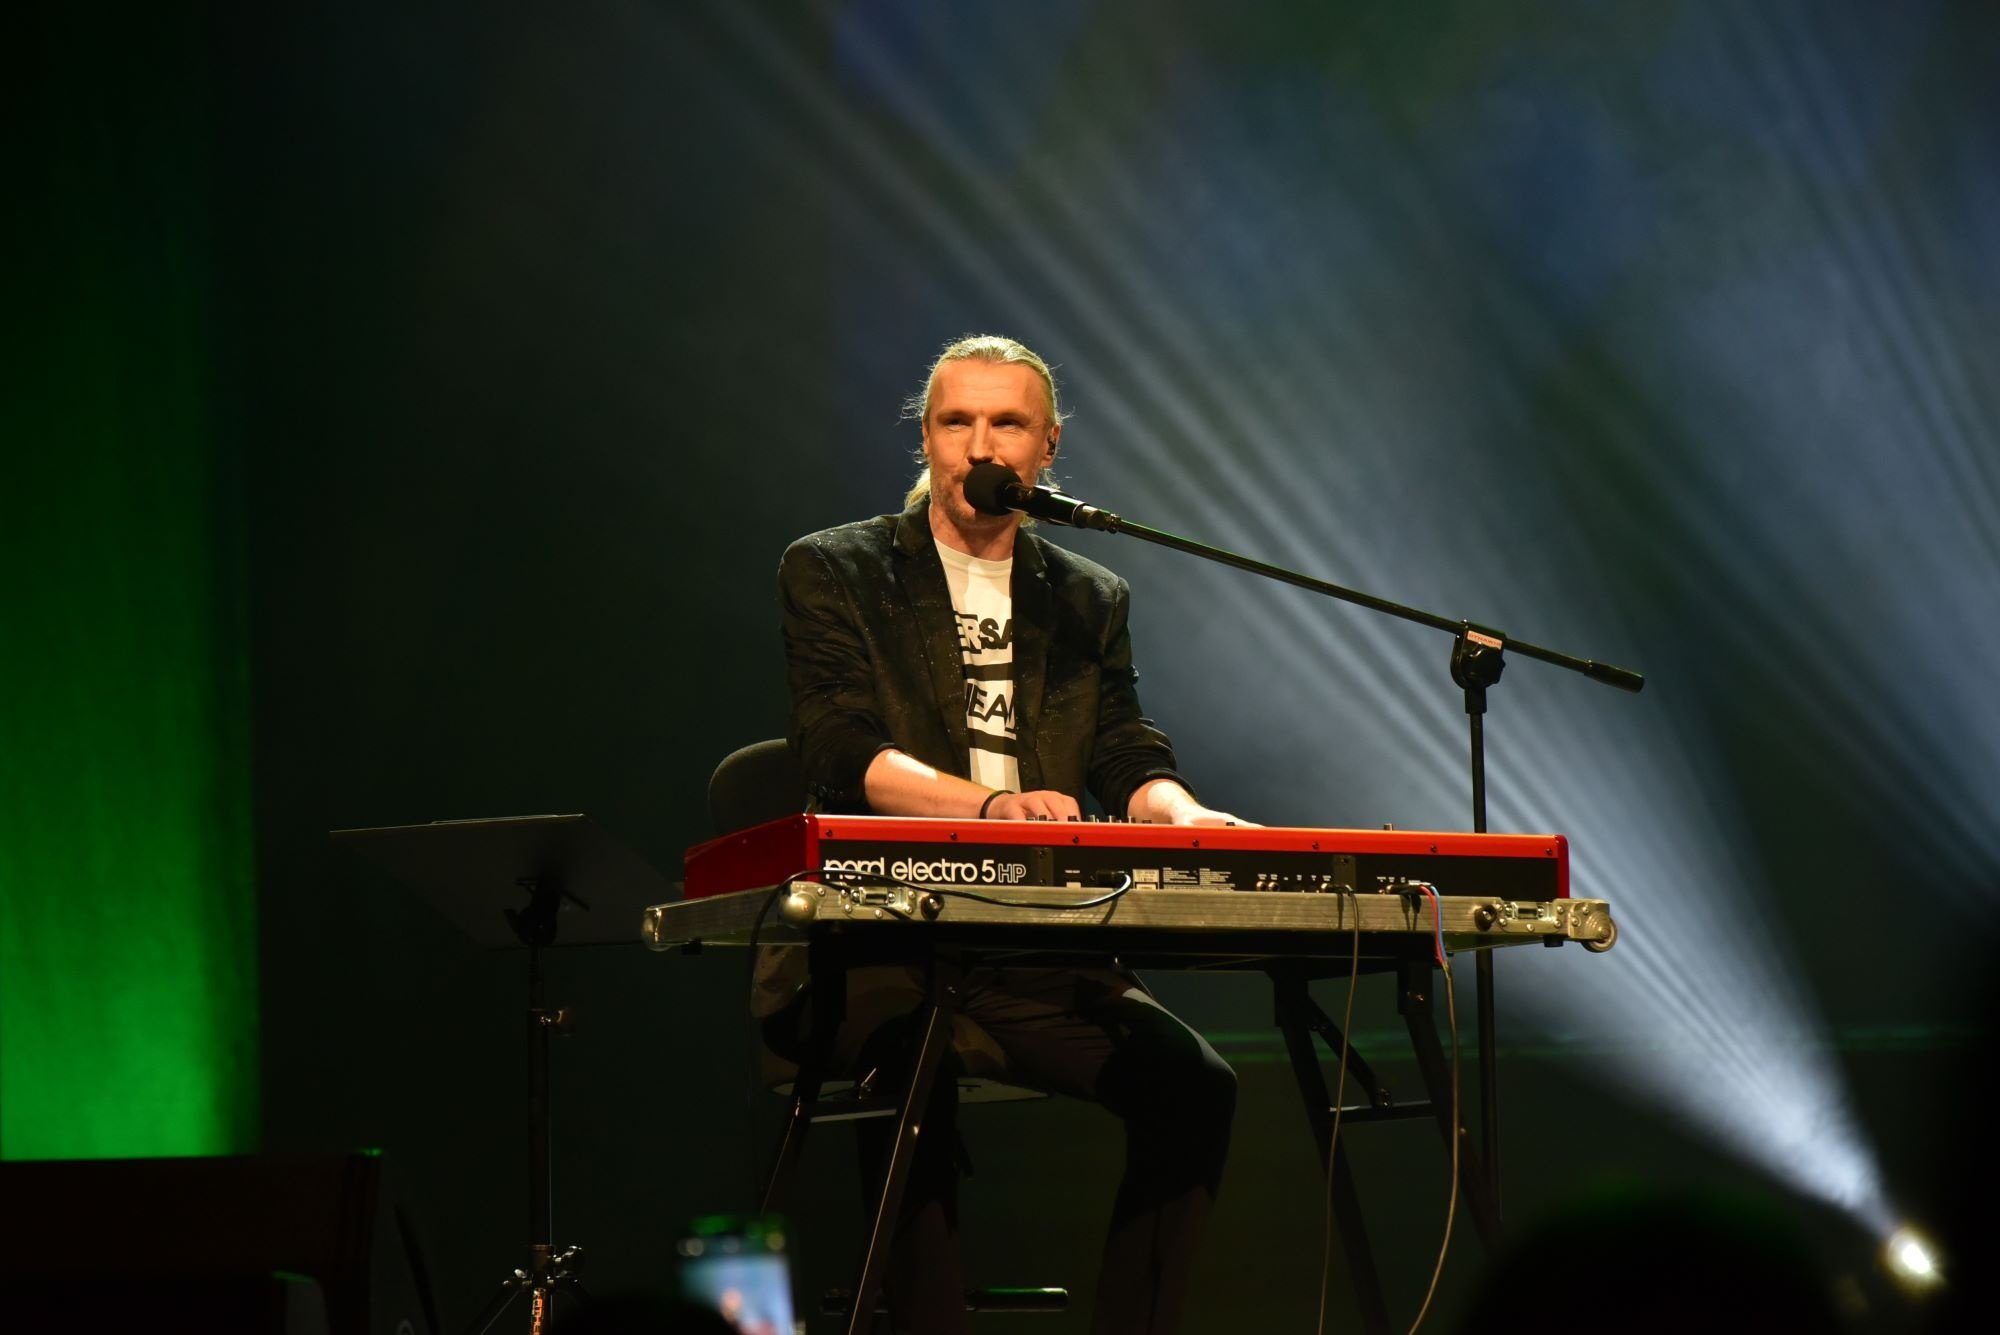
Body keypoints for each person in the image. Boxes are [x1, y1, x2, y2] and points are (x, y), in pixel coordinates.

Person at [763, 334, 1242, 1335]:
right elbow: (838, 747)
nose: (980, 445)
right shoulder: (836, 568)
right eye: (956, 422)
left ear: (1047, 446)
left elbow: (1122, 748)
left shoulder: (1085, 595)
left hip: (1032, 947)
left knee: (1192, 1084)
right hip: (876, 943)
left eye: (1007, 423)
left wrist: (1183, 811)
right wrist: (988, 808)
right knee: (912, 1060)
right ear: (927, 439)